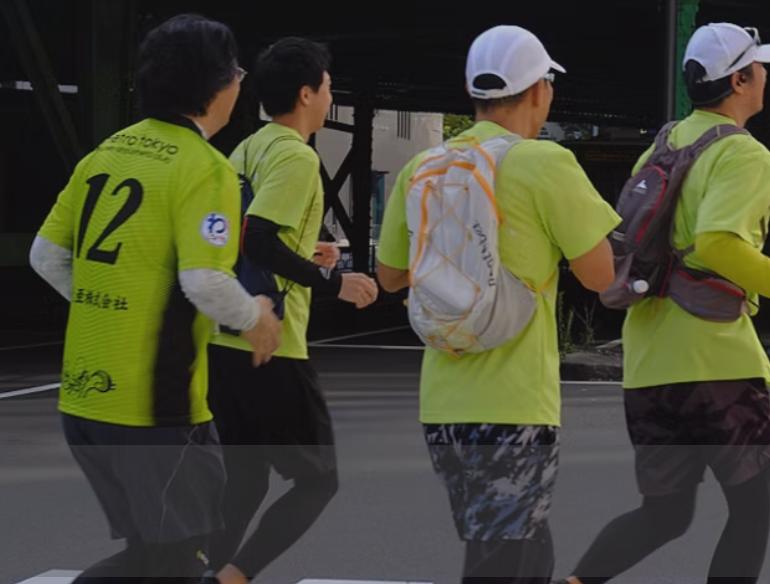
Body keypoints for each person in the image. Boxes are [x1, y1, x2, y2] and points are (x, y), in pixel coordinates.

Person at [29, 13, 280, 582]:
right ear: (218, 86)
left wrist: (113, 300)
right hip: (155, 411)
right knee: (181, 561)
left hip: (84, 402)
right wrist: (256, 320)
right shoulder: (205, 169)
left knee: (152, 558)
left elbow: (45, 257)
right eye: (237, 70)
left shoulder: (104, 155)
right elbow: (205, 282)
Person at [377, 24, 620, 584]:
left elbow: (390, 276)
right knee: (501, 564)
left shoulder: (424, 166)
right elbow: (600, 274)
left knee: (526, 554)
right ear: (539, 90)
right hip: (514, 407)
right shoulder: (544, 163)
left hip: (442, 406)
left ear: (475, 94)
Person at [556, 22, 770, 584]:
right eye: (761, 67)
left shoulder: (664, 143)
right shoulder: (743, 153)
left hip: (649, 364)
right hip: (716, 362)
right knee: (756, 509)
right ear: (741, 79)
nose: (766, 75)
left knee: (666, 513)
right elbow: (719, 244)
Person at [205, 37, 378, 584]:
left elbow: (234, 235)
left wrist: (307, 253)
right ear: (306, 93)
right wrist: (335, 280)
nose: (332, 96)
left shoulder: (246, 149)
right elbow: (257, 238)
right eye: (328, 87)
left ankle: (199, 569)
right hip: (272, 343)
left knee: (246, 480)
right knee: (318, 481)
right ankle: (232, 577)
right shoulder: (295, 155)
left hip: (223, 339)